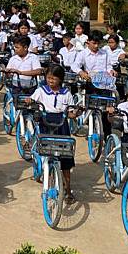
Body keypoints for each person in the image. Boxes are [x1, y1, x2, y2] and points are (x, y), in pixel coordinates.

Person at [29, 65, 78, 203]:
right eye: (48, 77)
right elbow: (32, 100)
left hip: (62, 125)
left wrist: (74, 114)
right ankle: (49, 181)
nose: (50, 80)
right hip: (46, 123)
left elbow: (71, 111)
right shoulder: (41, 91)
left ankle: (68, 190)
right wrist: (29, 101)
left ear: (60, 79)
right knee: (47, 153)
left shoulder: (66, 93)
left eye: (54, 78)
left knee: (66, 159)